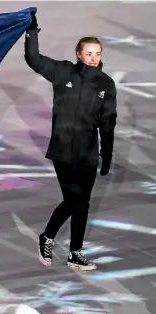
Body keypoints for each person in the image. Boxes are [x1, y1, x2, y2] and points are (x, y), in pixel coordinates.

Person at [24, 12, 117, 271]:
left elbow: (108, 120)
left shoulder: (106, 84)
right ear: (78, 54)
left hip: (88, 153)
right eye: (89, 53)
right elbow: (34, 59)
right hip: (63, 150)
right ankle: (48, 236)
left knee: (82, 202)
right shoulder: (62, 71)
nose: (94, 58)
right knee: (74, 199)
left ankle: (75, 252)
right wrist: (31, 32)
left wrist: (106, 154)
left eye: (97, 53)